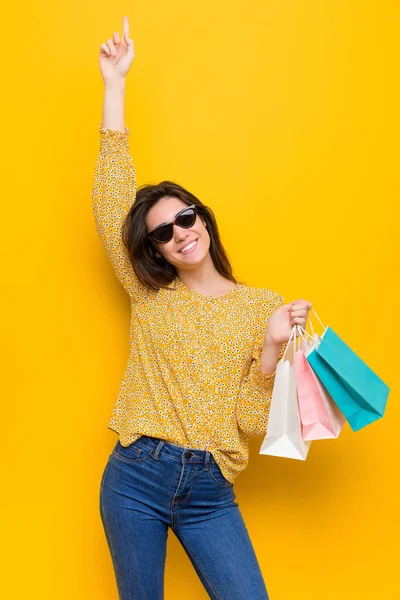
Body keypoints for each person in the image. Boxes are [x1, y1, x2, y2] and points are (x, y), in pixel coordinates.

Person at [94, 15, 312, 600]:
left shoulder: (261, 306)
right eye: (163, 232)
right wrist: (114, 84)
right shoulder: (150, 292)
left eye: (185, 217)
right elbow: (112, 198)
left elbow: (252, 424)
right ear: (155, 249)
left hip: (210, 487)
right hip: (135, 473)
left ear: (203, 220)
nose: (179, 233)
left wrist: (270, 346)